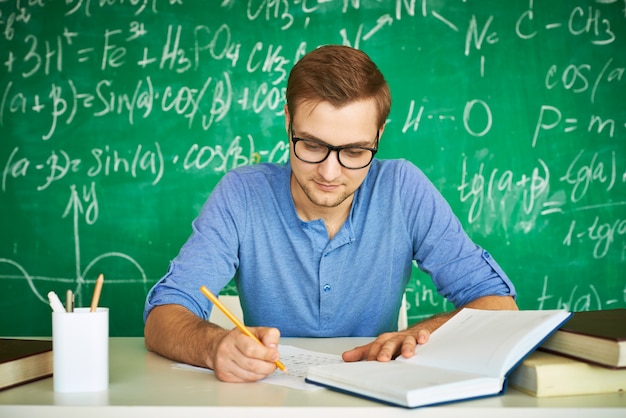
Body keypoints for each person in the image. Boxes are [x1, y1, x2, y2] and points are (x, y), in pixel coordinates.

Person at [143, 45, 518, 383]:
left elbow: (500, 305)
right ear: (288, 122)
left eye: (354, 152)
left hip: (377, 396)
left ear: (379, 135)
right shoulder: (242, 194)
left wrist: (423, 333)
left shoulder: (403, 188)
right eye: (311, 144)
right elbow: (163, 317)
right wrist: (215, 347)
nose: (329, 173)